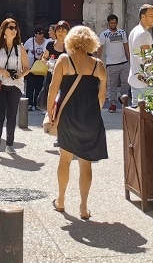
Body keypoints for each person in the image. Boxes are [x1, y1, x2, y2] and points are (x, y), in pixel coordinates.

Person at [45, 25, 108, 220]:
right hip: (90, 117)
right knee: (85, 163)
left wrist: (51, 114)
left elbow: (52, 90)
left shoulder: (64, 60)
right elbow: (102, 96)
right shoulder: (98, 65)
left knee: (65, 159)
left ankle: (61, 200)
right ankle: (83, 207)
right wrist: (92, 112)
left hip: (68, 117)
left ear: (70, 41)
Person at [0, 17, 28, 156]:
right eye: (11, 27)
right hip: (0, 83)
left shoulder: (20, 48)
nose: (14, 30)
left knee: (12, 115)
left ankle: (10, 144)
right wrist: (2, 71)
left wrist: (20, 74)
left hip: (15, 85)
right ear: (4, 30)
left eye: (15, 28)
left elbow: (27, 67)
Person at [98, 14, 131, 112]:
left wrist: (129, 59)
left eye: (114, 23)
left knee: (125, 83)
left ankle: (123, 99)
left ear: (117, 23)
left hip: (124, 62)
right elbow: (100, 48)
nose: (113, 24)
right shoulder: (104, 34)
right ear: (108, 23)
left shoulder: (122, 33)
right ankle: (112, 103)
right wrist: (97, 60)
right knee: (112, 85)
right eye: (111, 23)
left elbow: (126, 47)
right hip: (111, 64)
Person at [128, 4, 153, 106]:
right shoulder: (145, 34)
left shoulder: (133, 31)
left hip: (134, 79)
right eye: (151, 16)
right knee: (148, 117)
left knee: (136, 115)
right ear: (143, 16)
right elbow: (147, 60)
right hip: (145, 82)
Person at [23, 26, 49, 112]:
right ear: (35, 34)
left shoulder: (47, 42)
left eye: (42, 33)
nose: (41, 35)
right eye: (39, 33)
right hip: (30, 67)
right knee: (30, 86)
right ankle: (29, 103)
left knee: (39, 86)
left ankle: (37, 103)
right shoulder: (30, 41)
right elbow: (23, 51)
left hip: (40, 67)